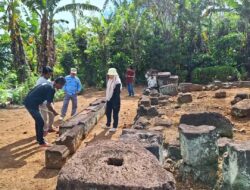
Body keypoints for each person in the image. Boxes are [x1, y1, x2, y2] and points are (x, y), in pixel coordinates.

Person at [23, 77, 66, 147]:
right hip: (31, 104)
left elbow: (34, 91)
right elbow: (48, 104)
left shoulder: (46, 84)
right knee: (41, 122)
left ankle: (39, 139)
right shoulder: (51, 89)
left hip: (30, 102)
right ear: (57, 83)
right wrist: (54, 112)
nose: (62, 87)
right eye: (62, 85)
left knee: (38, 121)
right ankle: (41, 142)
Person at [36, 66, 56, 135]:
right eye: (49, 74)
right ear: (44, 73)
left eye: (51, 74)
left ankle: (50, 127)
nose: (50, 75)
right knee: (44, 117)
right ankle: (44, 131)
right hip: (43, 101)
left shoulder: (48, 79)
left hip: (48, 101)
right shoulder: (40, 81)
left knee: (52, 114)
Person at [105, 68, 122, 132]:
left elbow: (117, 93)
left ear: (114, 74)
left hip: (115, 100)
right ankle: (108, 124)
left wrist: (115, 103)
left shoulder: (117, 82)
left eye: (111, 75)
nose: (109, 76)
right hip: (109, 99)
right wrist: (108, 99)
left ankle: (115, 127)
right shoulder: (110, 79)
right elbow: (108, 90)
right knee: (108, 112)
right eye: (109, 74)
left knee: (115, 114)